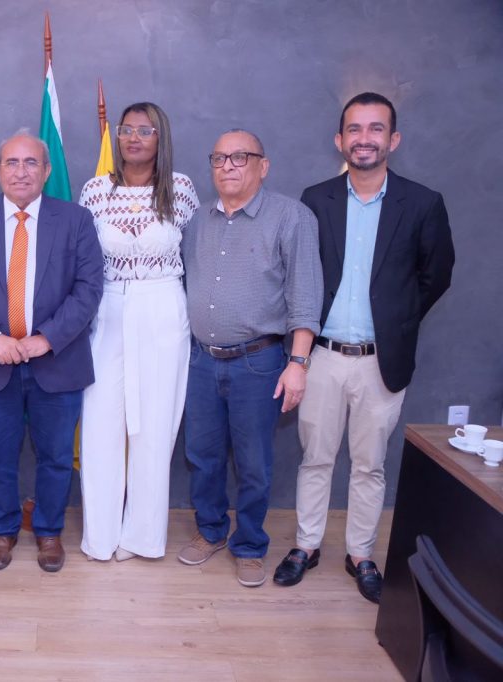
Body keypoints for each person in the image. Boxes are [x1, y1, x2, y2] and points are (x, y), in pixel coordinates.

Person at [273, 93, 454, 603]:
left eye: (376, 129)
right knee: (316, 457)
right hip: (322, 357)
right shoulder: (316, 200)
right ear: (340, 140)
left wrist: (398, 318)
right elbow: (301, 274)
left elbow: (436, 275)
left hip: (381, 360)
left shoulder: (422, 203)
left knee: (370, 464)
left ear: (393, 139)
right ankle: (306, 545)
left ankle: (361, 554)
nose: (364, 138)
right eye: (354, 129)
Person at [0, 131, 104, 573]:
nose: (21, 171)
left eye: (31, 162)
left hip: (57, 360)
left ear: (47, 171)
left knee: (55, 456)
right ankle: (2, 530)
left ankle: (49, 531)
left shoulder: (76, 220)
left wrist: (45, 338)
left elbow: (89, 289)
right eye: (11, 163)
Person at [179, 129, 322, 587]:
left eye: (240, 157)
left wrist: (298, 364)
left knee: (254, 462)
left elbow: (305, 297)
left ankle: (250, 545)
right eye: (219, 158)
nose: (228, 166)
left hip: (258, 363)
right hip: (201, 361)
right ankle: (211, 530)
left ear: (264, 166)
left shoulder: (291, 217)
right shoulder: (196, 221)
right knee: (202, 455)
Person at [77, 102, 199, 561]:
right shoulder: (95, 191)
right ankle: (101, 536)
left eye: (145, 131)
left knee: (154, 425)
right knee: (100, 423)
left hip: (162, 306)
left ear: (160, 138)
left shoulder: (181, 189)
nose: (133, 138)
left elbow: (196, 254)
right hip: (106, 308)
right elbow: (82, 257)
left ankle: (142, 537)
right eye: (126, 129)